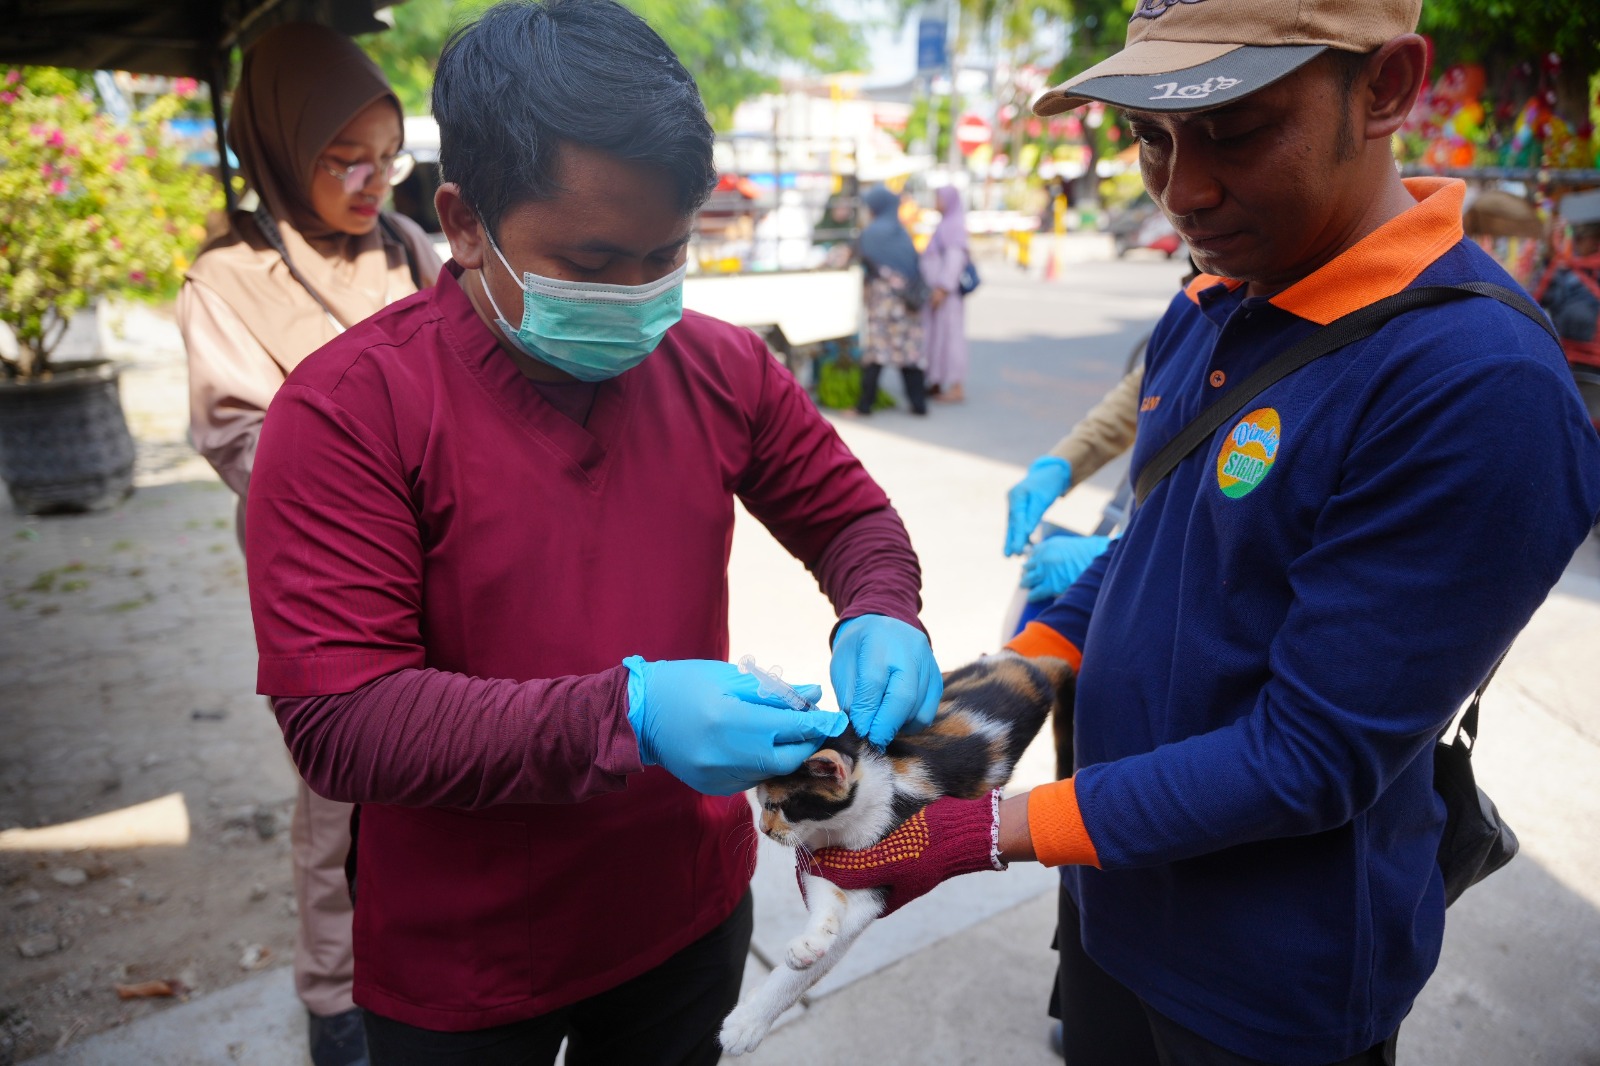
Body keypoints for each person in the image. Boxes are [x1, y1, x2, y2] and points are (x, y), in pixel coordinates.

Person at [800, 3, 1600, 1064]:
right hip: (1113, 900)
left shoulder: (1474, 385)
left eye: (1232, 128)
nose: (1182, 191)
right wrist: (983, 712)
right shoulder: (1211, 301)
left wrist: (987, 830)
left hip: (1271, 974)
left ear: (1386, 88)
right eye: (1149, 135)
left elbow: (1309, 756)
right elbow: (1148, 556)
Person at [241, 2, 942, 1063]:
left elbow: (848, 516)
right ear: (465, 221)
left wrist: (883, 609)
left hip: (687, 911)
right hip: (469, 961)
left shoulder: (719, 366)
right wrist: (632, 713)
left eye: (666, 255)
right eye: (594, 260)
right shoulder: (348, 413)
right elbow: (345, 721)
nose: (637, 298)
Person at [178, 23, 442, 1066]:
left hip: (441, 549)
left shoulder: (410, 249)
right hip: (329, 573)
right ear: (282, 148)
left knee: (445, 756)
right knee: (342, 784)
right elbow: (235, 431)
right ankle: (336, 999)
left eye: (387, 155)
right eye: (344, 158)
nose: (372, 180)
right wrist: (367, 488)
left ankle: (429, 964)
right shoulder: (229, 279)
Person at [854, 185, 929, 416]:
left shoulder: (873, 233)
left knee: (877, 353)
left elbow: (853, 253)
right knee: (909, 354)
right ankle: (919, 405)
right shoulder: (900, 232)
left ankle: (865, 405)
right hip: (909, 303)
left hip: (886, 305)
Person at [1533, 188, 1600, 368]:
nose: (1576, 244)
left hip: (1572, 365)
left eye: (1579, 238)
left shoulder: (1564, 275)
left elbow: (1533, 301)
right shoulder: (1567, 272)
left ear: (1594, 241)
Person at [921, 185, 971, 403]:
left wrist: (942, 288)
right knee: (936, 339)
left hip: (946, 296)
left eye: (938, 197)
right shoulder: (945, 224)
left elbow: (954, 260)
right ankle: (936, 381)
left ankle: (956, 387)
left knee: (950, 340)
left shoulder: (954, 226)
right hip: (937, 294)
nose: (935, 201)